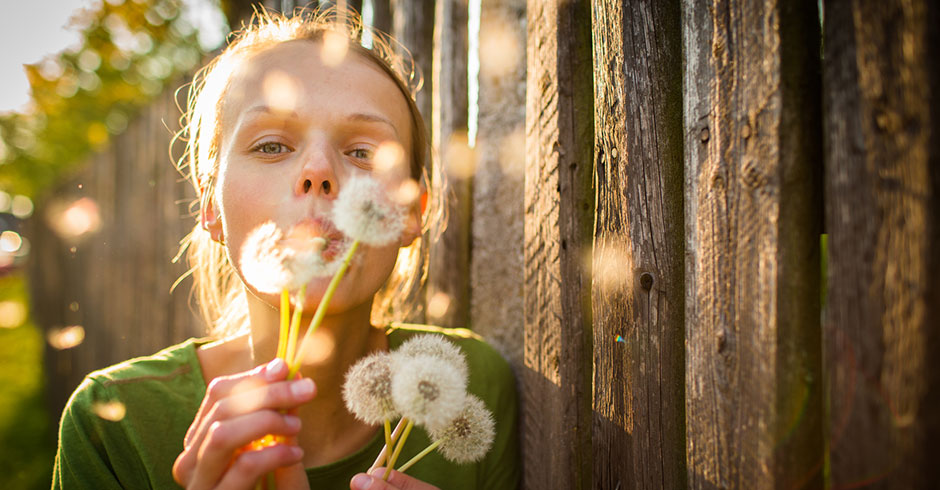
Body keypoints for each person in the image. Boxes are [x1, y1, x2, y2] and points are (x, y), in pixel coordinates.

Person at [52, 7, 519, 489]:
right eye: (271, 146)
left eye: (362, 152)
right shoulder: (114, 425)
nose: (318, 172)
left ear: (411, 212)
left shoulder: (470, 383)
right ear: (210, 205)